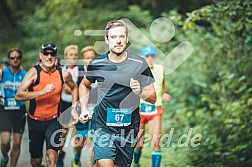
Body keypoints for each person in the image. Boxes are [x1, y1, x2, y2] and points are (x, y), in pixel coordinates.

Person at [78, 20, 157, 167]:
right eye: (113, 37)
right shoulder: (97, 63)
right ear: (107, 40)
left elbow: (153, 98)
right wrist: (83, 109)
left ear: (127, 39)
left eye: (122, 36)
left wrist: (139, 91)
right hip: (102, 126)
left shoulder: (139, 63)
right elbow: (84, 85)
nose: (118, 41)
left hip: (128, 129)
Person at [15, 43, 79, 167]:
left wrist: (74, 108)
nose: (49, 57)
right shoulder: (34, 72)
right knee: (36, 161)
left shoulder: (63, 74)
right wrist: (41, 92)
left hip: (54, 120)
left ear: (56, 56)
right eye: (46, 53)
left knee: (52, 155)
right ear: (41, 55)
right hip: (35, 121)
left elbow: (74, 88)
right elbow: (19, 95)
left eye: (52, 54)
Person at [133, 46, 171, 167]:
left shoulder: (161, 69)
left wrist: (164, 93)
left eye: (152, 56)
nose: (150, 58)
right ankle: (136, 163)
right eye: (146, 56)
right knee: (139, 143)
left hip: (155, 108)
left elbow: (163, 85)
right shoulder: (135, 71)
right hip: (139, 109)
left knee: (156, 142)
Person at [71, 46, 97, 167]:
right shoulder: (78, 72)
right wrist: (74, 109)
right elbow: (74, 90)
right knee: (80, 141)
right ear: (83, 59)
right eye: (87, 58)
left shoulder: (101, 70)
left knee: (96, 143)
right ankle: (76, 158)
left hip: (97, 111)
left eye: (92, 57)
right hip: (82, 110)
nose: (90, 60)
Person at [0, 48, 26, 167]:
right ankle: (5, 156)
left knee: (16, 143)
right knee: (5, 142)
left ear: (20, 59)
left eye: (17, 57)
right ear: (9, 59)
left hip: (19, 110)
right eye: (12, 57)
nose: (15, 60)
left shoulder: (25, 75)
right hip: (5, 110)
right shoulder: (2, 72)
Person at [57, 45, 80, 167]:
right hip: (63, 104)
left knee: (77, 134)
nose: (73, 58)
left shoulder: (80, 70)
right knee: (63, 132)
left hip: (77, 104)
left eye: (75, 55)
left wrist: (72, 89)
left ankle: (77, 157)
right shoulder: (60, 70)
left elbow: (83, 87)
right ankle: (60, 154)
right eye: (71, 55)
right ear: (65, 57)